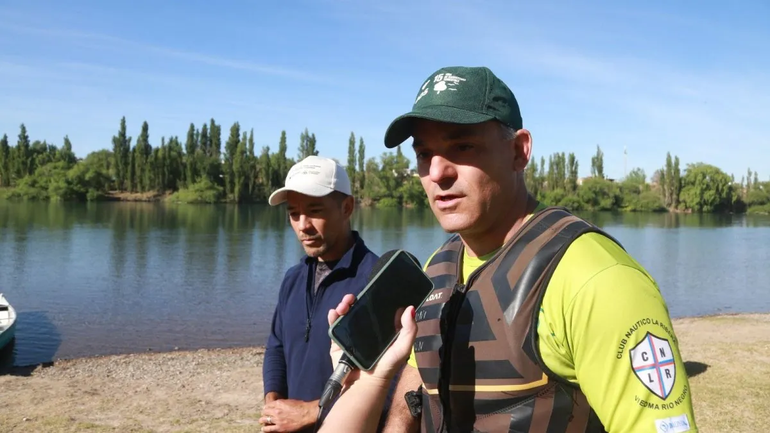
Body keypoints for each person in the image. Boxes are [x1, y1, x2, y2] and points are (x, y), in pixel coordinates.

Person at [361, 66, 697, 432]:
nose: (438, 172)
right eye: (424, 154)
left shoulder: (597, 278)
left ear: (520, 152)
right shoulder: (437, 267)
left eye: (462, 146)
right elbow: (414, 392)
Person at [260, 155, 380, 433]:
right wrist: (274, 404)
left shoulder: (375, 280)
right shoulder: (293, 279)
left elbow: (390, 380)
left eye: (315, 210)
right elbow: (276, 347)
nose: (303, 225)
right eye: (293, 214)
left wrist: (314, 410)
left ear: (347, 207)